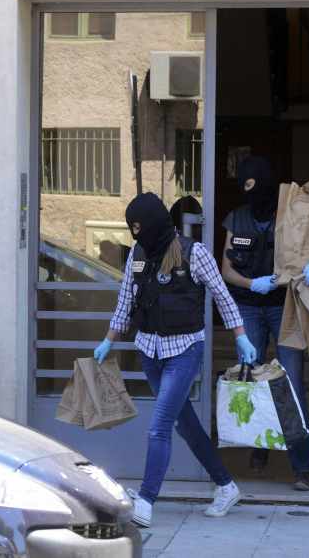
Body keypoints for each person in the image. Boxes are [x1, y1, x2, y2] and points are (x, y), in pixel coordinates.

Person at [93, 192, 258, 528]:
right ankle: (226, 485)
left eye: (138, 226)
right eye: (131, 227)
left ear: (153, 223)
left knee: (160, 427)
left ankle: (147, 499)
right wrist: (108, 341)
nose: (135, 233)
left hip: (184, 351)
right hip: (149, 351)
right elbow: (125, 301)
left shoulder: (194, 253)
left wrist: (241, 335)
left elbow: (223, 299)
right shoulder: (137, 255)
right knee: (185, 424)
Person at [219, 155, 309, 492]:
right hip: (249, 307)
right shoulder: (238, 218)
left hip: (285, 307)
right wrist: (251, 284)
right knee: (251, 379)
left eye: (256, 185)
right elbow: (226, 269)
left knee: (291, 384)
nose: (252, 193)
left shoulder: (293, 211)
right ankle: (260, 448)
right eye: (246, 186)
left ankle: (303, 467)